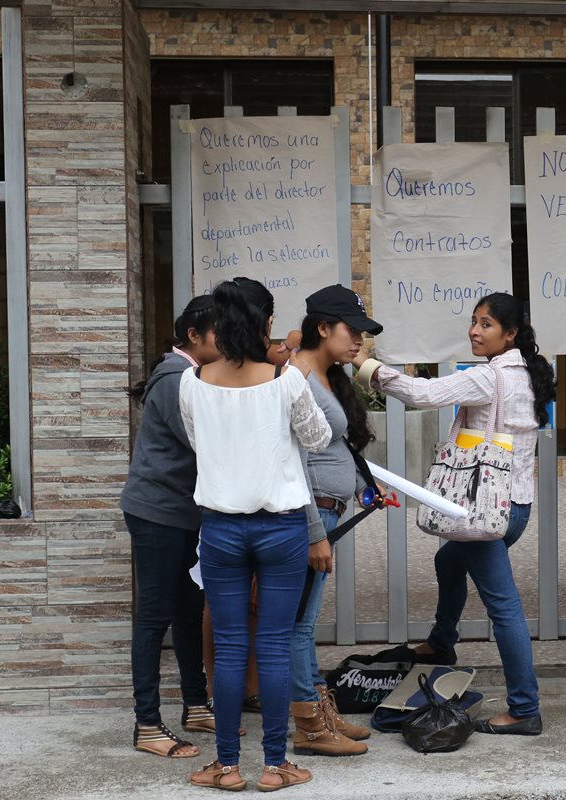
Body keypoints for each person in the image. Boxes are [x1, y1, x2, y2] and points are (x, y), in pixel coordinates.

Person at [352, 292, 555, 736]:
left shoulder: (490, 377)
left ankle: (525, 709)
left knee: (504, 608)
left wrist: (365, 366)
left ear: (511, 333)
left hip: (484, 512)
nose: (474, 331)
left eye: (486, 324)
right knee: (448, 562)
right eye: (473, 322)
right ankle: (442, 644)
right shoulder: (527, 372)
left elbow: (423, 394)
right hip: (512, 505)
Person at [179, 277, 332, 792]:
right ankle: (274, 765)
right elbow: (318, 438)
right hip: (281, 527)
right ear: (266, 322)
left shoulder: (193, 380)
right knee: (271, 646)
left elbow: (200, 443)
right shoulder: (286, 379)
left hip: (221, 527)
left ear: (217, 324)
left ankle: (225, 766)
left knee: (227, 647)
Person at [281, 285, 383, 757]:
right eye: (352, 330)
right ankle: (310, 727)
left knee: (305, 622)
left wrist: (361, 488)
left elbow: (333, 451)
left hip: (328, 509)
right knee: (299, 625)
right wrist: (314, 532)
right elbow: (294, 463)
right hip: (312, 515)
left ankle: (322, 711)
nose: (359, 340)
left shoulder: (323, 375)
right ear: (322, 328)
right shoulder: (296, 377)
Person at [122, 296, 219, 759]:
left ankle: (196, 705)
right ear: (194, 336)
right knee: (155, 616)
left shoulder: (191, 375)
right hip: (158, 511)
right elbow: (207, 442)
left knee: (188, 609)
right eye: (218, 332)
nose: (226, 340)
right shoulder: (176, 378)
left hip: (181, 512)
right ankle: (147, 725)